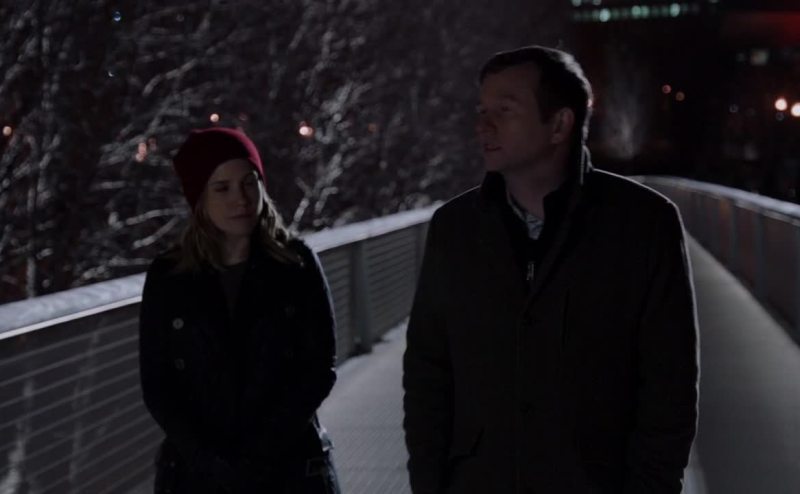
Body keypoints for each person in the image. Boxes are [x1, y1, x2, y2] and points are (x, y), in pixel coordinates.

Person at [403, 45, 699, 493]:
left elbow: (669, 385)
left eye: (504, 110)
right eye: (481, 111)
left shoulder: (643, 224)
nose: (483, 125)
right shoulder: (455, 229)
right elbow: (428, 372)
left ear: (560, 124)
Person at [138, 127, 341, 494]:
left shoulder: (296, 264)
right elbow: (157, 384)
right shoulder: (169, 277)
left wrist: (258, 454)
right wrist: (209, 459)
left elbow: (318, 368)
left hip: (289, 472)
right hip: (197, 477)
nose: (242, 199)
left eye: (250, 183)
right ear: (199, 197)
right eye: (223, 188)